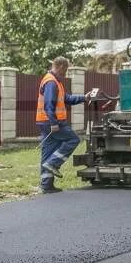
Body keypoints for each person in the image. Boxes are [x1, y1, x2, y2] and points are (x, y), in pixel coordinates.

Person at [36, 57, 95, 194]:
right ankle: (53, 164)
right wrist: (54, 123)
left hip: (45, 121)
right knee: (73, 139)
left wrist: (83, 98)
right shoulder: (51, 82)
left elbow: (66, 98)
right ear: (61, 66)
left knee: (48, 152)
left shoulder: (55, 81)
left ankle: (46, 185)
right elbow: (49, 105)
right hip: (53, 122)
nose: (66, 72)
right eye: (66, 69)